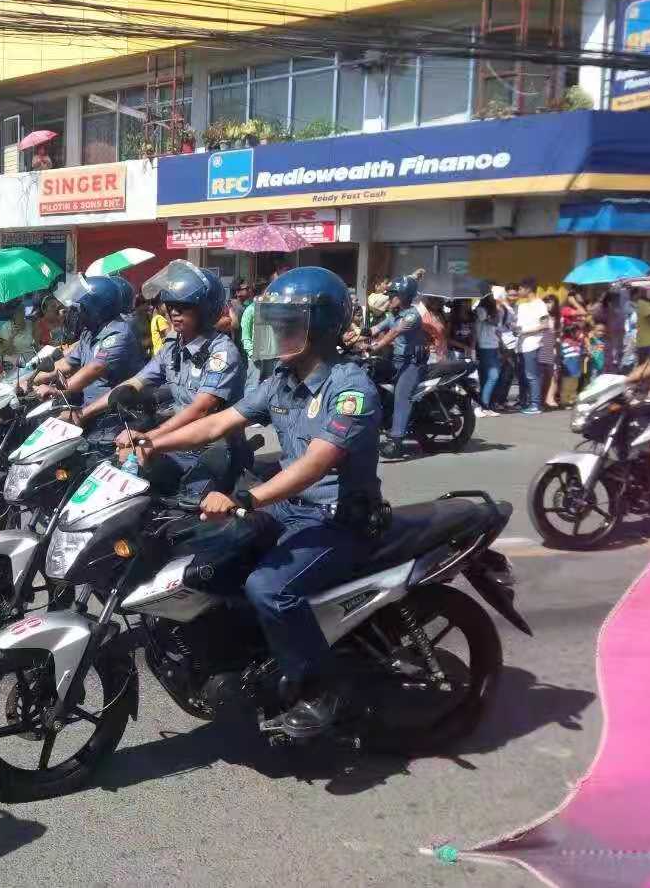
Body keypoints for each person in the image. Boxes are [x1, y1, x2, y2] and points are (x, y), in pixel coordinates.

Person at [134, 266, 382, 738]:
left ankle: (320, 687)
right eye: (277, 321)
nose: (278, 332)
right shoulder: (282, 380)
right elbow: (217, 423)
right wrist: (152, 442)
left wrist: (247, 496)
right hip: (290, 509)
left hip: (339, 517)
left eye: (290, 322)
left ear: (321, 327)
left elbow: (316, 463)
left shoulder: (350, 391)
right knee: (206, 553)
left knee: (269, 587)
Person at [95, 260, 247, 497]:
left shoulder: (221, 352)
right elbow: (137, 381)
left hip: (214, 448)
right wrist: (85, 412)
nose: (174, 311)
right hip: (175, 442)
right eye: (171, 304)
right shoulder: (172, 347)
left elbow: (201, 410)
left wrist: (147, 439)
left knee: (182, 509)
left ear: (204, 309)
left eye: (184, 306)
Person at [31, 275, 145, 419]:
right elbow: (66, 363)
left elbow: (93, 369)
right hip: (90, 408)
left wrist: (55, 390)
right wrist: (31, 379)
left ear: (96, 309)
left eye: (82, 308)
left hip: (117, 416)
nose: (76, 312)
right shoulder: (90, 331)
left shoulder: (118, 334)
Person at [369, 275, 426, 459]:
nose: (389, 297)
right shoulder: (393, 315)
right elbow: (374, 329)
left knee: (402, 396)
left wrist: (376, 346)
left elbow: (394, 333)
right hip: (395, 361)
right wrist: (350, 337)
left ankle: (396, 441)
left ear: (403, 296)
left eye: (393, 294)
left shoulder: (412, 315)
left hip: (411, 364)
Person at [514, 277, 549, 414]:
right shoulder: (522, 305)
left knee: (532, 375)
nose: (519, 291)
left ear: (528, 289)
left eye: (521, 288)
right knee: (524, 376)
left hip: (533, 345)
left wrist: (525, 331)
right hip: (521, 345)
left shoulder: (539, 304)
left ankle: (536, 404)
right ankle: (526, 401)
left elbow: (545, 325)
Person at [473, 292, 506, 416]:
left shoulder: (493, 311)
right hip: (484, 346)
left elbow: (496, 327)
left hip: (493, 346)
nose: (495, 300)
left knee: (488, 377)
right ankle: (483, 406)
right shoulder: (480, 310)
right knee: (493, 376)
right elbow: (493, 322)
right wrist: (496, 311)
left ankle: (485, 405)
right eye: (493, 297)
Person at [540, 294, 560, 409]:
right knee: (542, 374)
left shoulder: (556, 318)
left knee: (553, 374)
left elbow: (557, 335)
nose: (548, 305)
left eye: (551, 302)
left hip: (552, 347)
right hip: (541, 346)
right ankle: (541, 399)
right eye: (546, 302)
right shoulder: (542, 316)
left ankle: (549, 398)